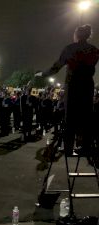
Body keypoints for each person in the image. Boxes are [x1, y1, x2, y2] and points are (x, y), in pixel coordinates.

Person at [38, 25, 99, 154]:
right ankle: (86, 147)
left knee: (70, 117)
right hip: (87, 86)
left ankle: (68, 147)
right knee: (86, 117)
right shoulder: (94, 50)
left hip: (73, 86)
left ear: (77, 34)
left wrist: (42, 74)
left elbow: (56, 67)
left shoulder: (70, 49)